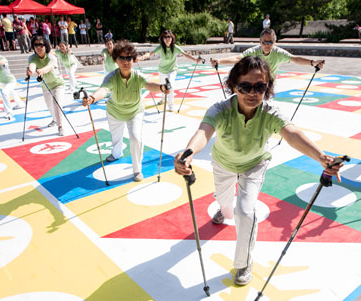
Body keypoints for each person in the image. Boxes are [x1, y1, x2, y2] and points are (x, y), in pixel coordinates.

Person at [174, 56, 341, 286]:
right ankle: (223, 209)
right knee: (225, 204)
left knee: (245, 211)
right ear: (234, 86)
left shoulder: (270, 111)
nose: (253, 93)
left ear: (268, 88)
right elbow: (204, 132)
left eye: (260, 87)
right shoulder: (220, 109)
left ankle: (244, 262)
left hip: (254, 165)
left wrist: (321, 157)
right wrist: (188, 153)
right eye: (245, 87)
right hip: (223, 163)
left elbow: (291, 134)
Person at [82, 40, 170, 182]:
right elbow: (103, 90)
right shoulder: (111, 77)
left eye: (128, 58)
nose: (125, 61)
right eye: (121, 58)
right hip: (114, 112)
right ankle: (116, 154)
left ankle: (137, 170)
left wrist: (161, 88)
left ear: (133, 59)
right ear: (116, 60)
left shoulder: (138, 75)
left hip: (135, 112)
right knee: (116, 138)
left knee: (136, 138)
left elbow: (149, 85)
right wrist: (92, 98)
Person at [211, 28, 325, 78]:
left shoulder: (278, 53)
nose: (267, 45)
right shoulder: (254, 51)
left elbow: (295, 59)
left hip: (268, 85)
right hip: (253, 82)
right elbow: (238, 58)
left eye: (270, 42)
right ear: (260, 41)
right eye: (264, 42)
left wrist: (313, 62)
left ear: (274, 42)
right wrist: (219, 61)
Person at [139, 30, 202, 111]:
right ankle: (163, 99)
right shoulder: (161, 47)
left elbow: (185, 54)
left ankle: (171, 106)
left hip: (172, 70)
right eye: (165, 37)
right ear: (162, 39)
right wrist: (140, 58)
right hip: (162, 70)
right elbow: (150, 54)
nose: (167, 39)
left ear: (172, 38)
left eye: (169, 37)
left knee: (170, 86)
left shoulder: (175, 47)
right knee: (162, 87)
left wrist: (195, 59)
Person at [27, 35, 67, 136]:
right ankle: (55, 120)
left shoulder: (51, 57)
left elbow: (50, 67)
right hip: (45, 86)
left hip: (57, 84)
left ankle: (60, 126)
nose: (38, 47)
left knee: (56, 104)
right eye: (36, 45)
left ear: (46, 46)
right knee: (50, 106)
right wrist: (31, 71)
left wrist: (41, 70)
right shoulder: (32, 58)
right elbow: (32, 65)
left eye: (41, 45)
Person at [0, 42, 25, 119]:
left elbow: (0, 62)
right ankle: (20, 104)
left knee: (4, 92)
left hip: (10, 81)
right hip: (2, 81)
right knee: (11, 92)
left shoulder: (2, 58)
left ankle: (9, 112)